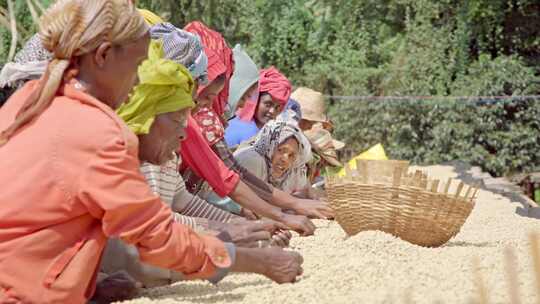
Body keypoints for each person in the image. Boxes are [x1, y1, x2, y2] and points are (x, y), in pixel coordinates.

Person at [0, 2, 302, 302]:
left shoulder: (26, 101)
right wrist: (260, 262)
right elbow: (158, 239)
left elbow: (43, 227)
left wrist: (92, 287)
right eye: (136, 68)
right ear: (103, 56)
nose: (137, 84)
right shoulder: (94, 131)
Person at [234, 114, 316, 197]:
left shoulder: (290, 173)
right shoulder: (253, 160)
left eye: (291, 155)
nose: (285, 159)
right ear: (270, 146)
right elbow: (245, 201)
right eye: (281, 150)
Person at [225, 67, 291, 148]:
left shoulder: (233, 119)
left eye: (278, 107)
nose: (272, 111)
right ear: (255, 100)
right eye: (268, 104)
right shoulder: (249, 132)